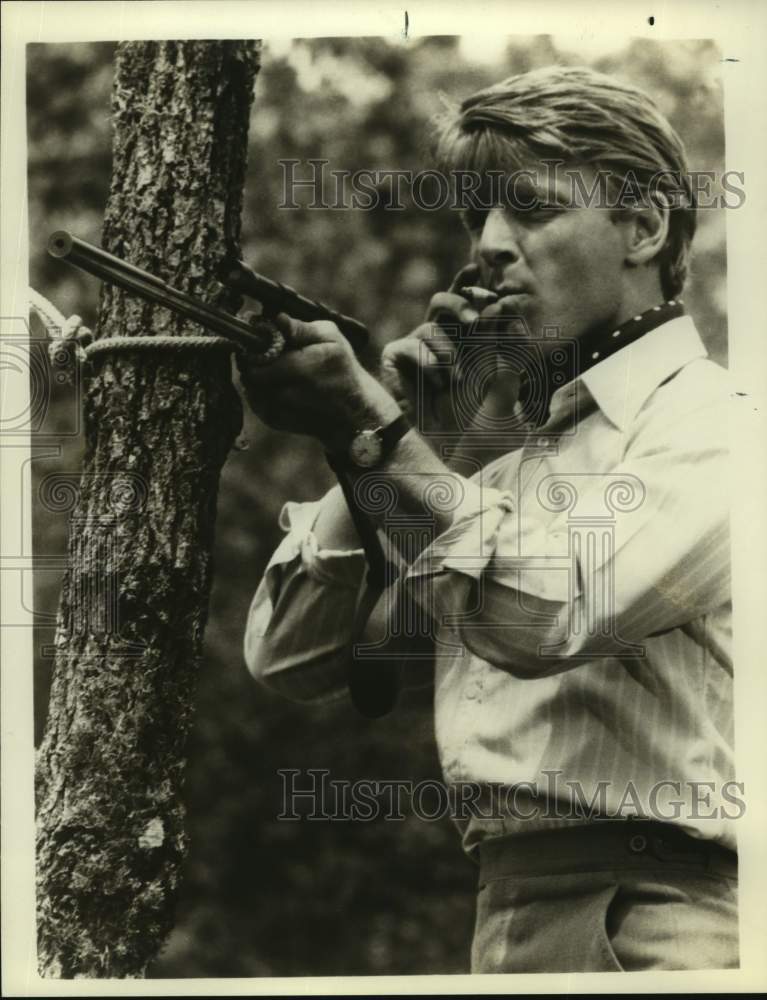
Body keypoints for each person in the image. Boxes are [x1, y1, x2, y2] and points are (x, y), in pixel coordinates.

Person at [239, 65, 737, 973]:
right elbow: (294, 655)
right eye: (477, 217)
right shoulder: (506, 460)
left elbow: (548, 616)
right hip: (505, 919)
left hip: (661, 925)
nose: (489, 248)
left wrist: (376, 432)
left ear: (643, 225)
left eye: (532, 210)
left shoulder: (719, 425)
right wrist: (391, 441)